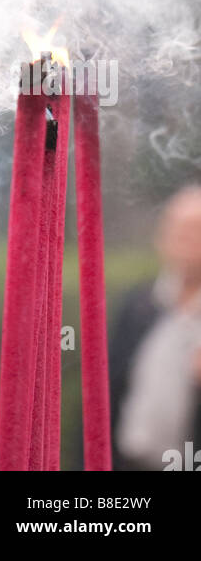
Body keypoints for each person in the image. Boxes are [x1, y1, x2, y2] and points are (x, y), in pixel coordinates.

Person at [110, 184, 201, 470]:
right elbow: (106, 391)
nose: (184, 240)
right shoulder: (138, 305)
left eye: (194, 231)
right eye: (177, 230)